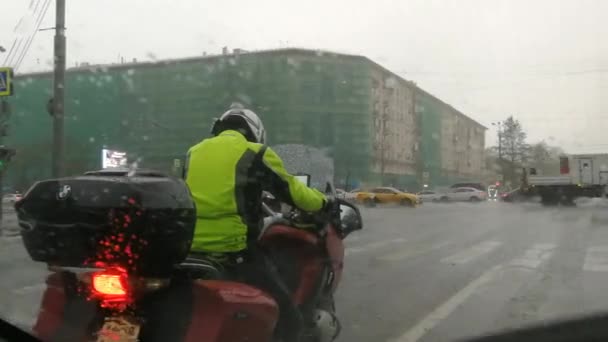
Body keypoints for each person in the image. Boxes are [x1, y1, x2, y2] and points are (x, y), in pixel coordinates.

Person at [184, 103, 328, 341]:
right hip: (234, 251)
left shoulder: (194, 151)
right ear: (255, 131)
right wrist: (324, 202)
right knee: (288, 317)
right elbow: (293, 192)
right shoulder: (256, 152)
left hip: (190, 250)